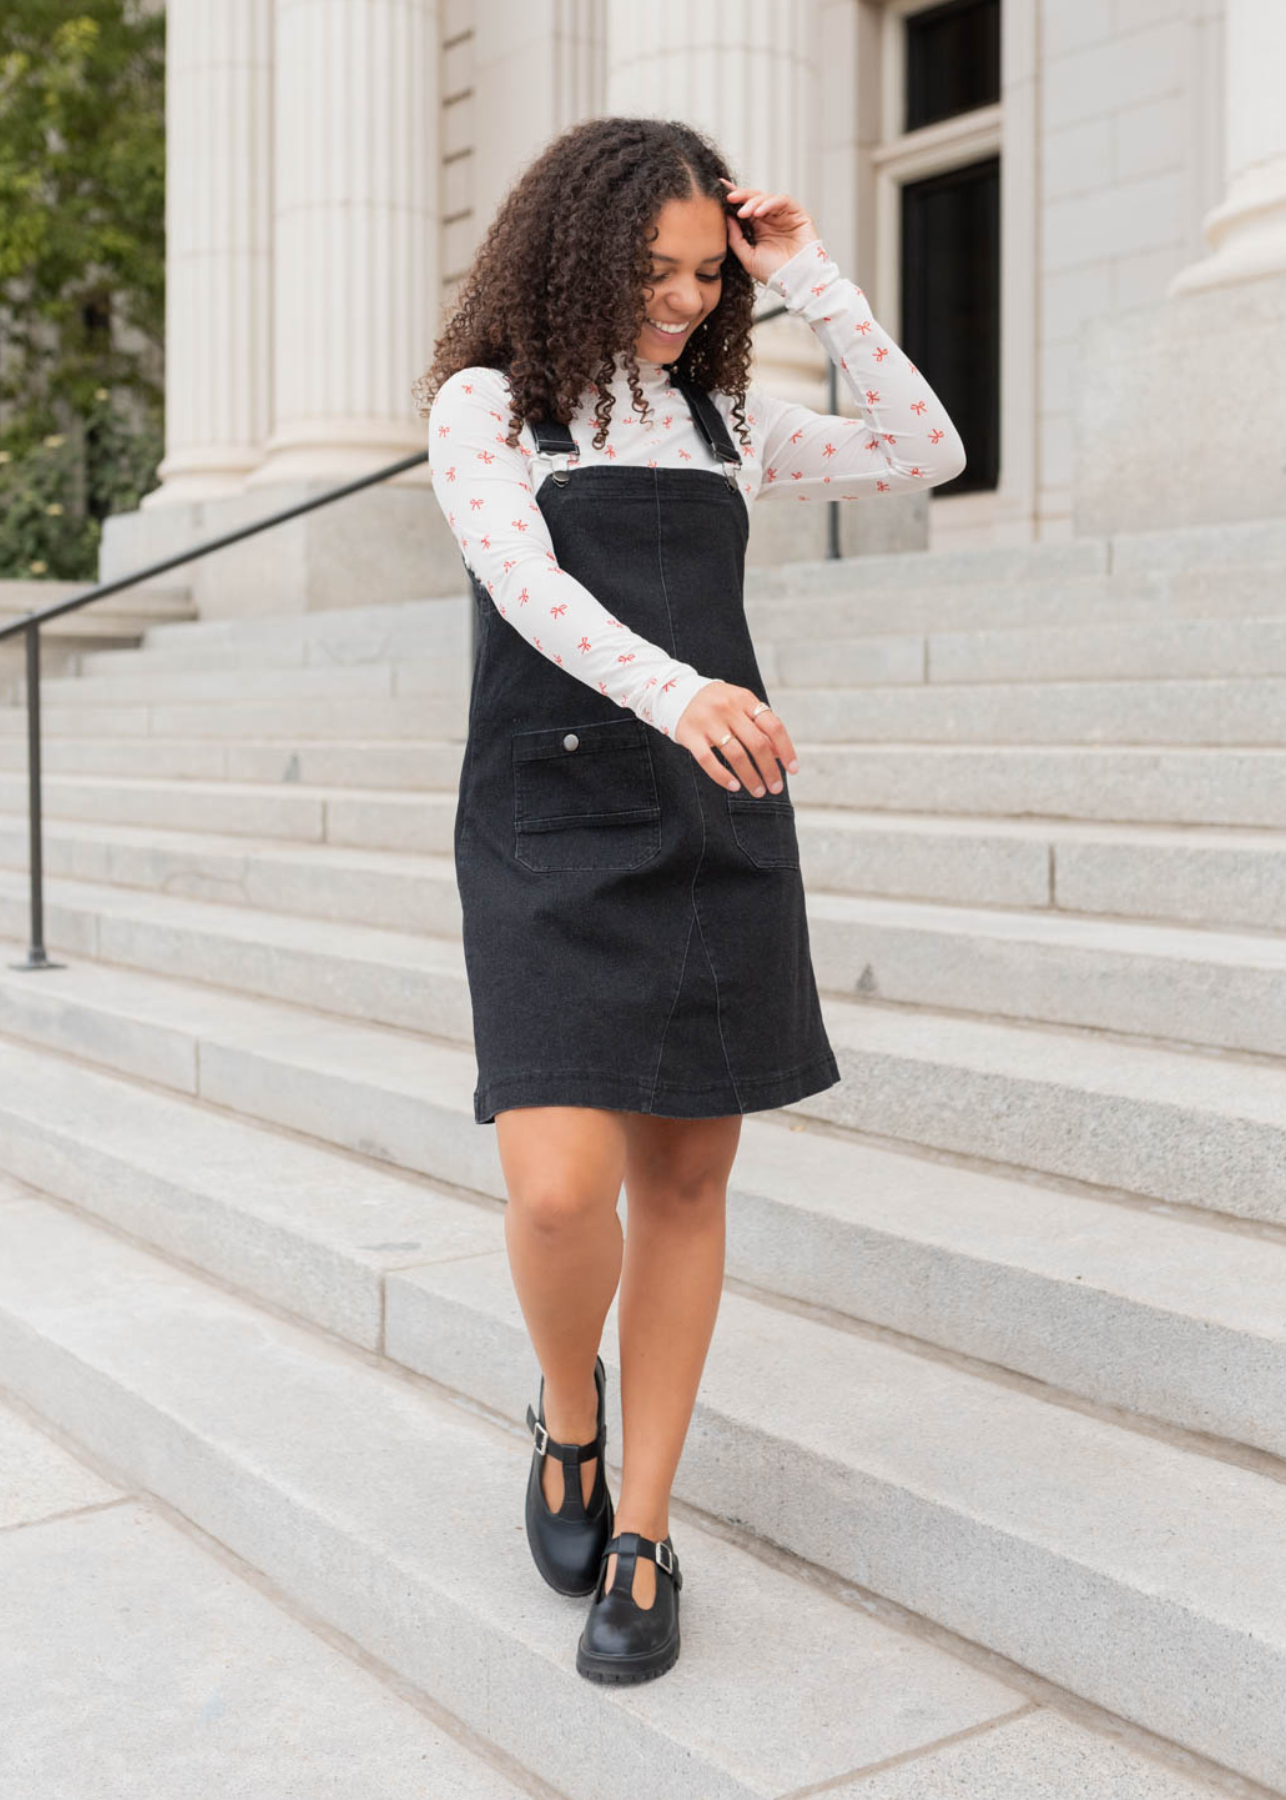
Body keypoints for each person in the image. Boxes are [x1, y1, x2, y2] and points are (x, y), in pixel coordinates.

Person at [415, 116, 965, 1686]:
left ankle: (644, 1533)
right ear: (573, 253)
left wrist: (813, 280)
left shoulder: (722, 415)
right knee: (554, 1191)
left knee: (684, 1190)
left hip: (714, 813)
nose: (678, 300)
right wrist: (681, 692)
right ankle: (565, 1419)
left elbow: (923, 451)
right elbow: (531, 590)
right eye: (652, 272)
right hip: (551, 816)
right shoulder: (488, 407)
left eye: (703, 272)